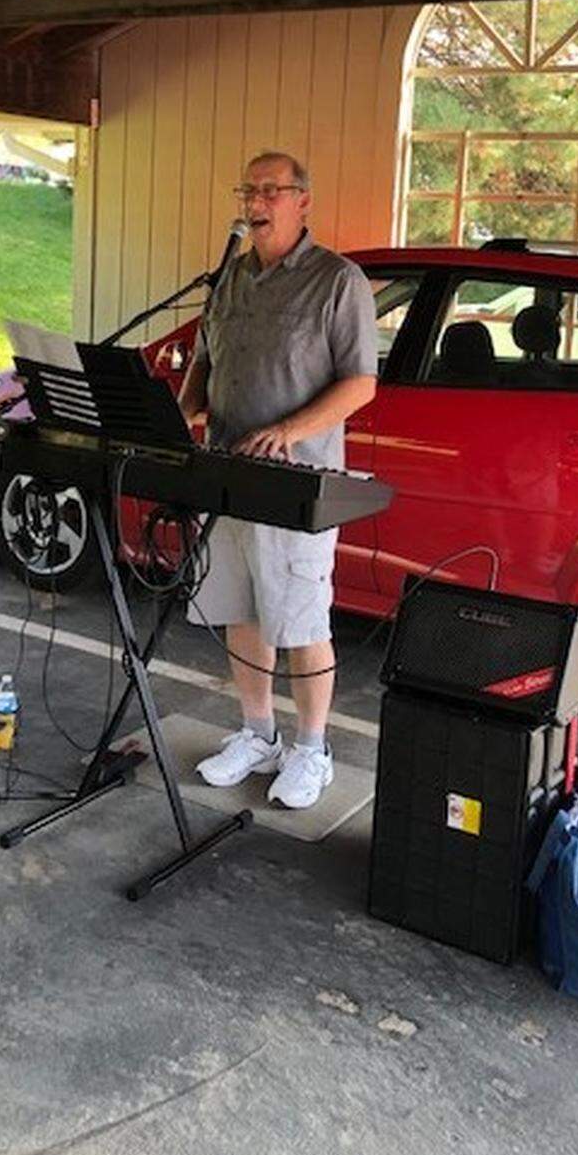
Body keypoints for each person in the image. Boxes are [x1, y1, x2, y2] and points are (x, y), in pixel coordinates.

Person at [177, 150, 378, 809]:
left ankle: (311, 749)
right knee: (240, 609)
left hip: (296, 486)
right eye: (248, 189)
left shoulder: (337, 280)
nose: (256, 201)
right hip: (226, 474)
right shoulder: (230, 278)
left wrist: (289, 431)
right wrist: (183, 410)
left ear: (302, 202)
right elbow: (204, 360)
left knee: (299, 619)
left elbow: (360, 384)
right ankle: (257, 734)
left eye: (271, 190)